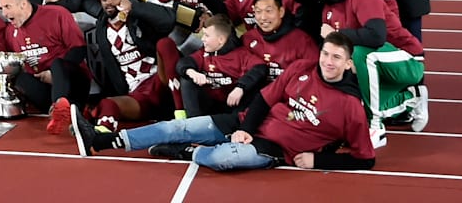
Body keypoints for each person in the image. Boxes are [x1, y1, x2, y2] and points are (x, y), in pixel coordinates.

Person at [74, 31, 376, 173]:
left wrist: (318, 161)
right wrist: (246, 126)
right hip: (245, 122)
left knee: (223, 159)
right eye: (326, 53)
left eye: (337, 57)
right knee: (176, 127)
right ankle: (105, 141)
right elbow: (263, 99)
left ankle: (186, 153)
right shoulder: (302, 69)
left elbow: (366, 159)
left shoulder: (350, 107)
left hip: (274, 148)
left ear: (349, 64)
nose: (328, 61)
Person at [313, 0, 428, 147]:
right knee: (354, 101)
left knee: (359, 54)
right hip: (376, 64)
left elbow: (376, 36)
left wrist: (336, 33)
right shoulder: (329, 6)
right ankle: (412, 98)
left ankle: (376, 127)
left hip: (407, 59)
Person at [79, 0, 179, 130]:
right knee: (107, 103)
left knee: (165, 44)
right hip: (138, 93)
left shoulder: (138, 17)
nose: (109, 2)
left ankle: (181, 113)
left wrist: (134, 7)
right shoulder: (102, 29)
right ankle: (100, 134)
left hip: (159, 80)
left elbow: (169, 20)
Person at [0, 0, 87, 128]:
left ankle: (61, 109)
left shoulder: (57, 14)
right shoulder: (10, 32)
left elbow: (79, 49)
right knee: (19, 78)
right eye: (2, 8)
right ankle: (59, 112)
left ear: (23, 4)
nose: (4, 14)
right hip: (44, 87)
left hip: (72, 82)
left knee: (57, 64)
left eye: (7, 7)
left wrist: (56, 75)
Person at [173, 12, 260, 119]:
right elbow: (183, 63)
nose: (202, 39)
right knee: (186, 79)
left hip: (233, 108)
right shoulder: (204, 53)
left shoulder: (241, 55)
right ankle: (194, 124)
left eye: (207, 35)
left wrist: (240, 87)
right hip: (209, 105)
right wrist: (192, 72)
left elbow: (259, 68)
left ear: (221, 39)